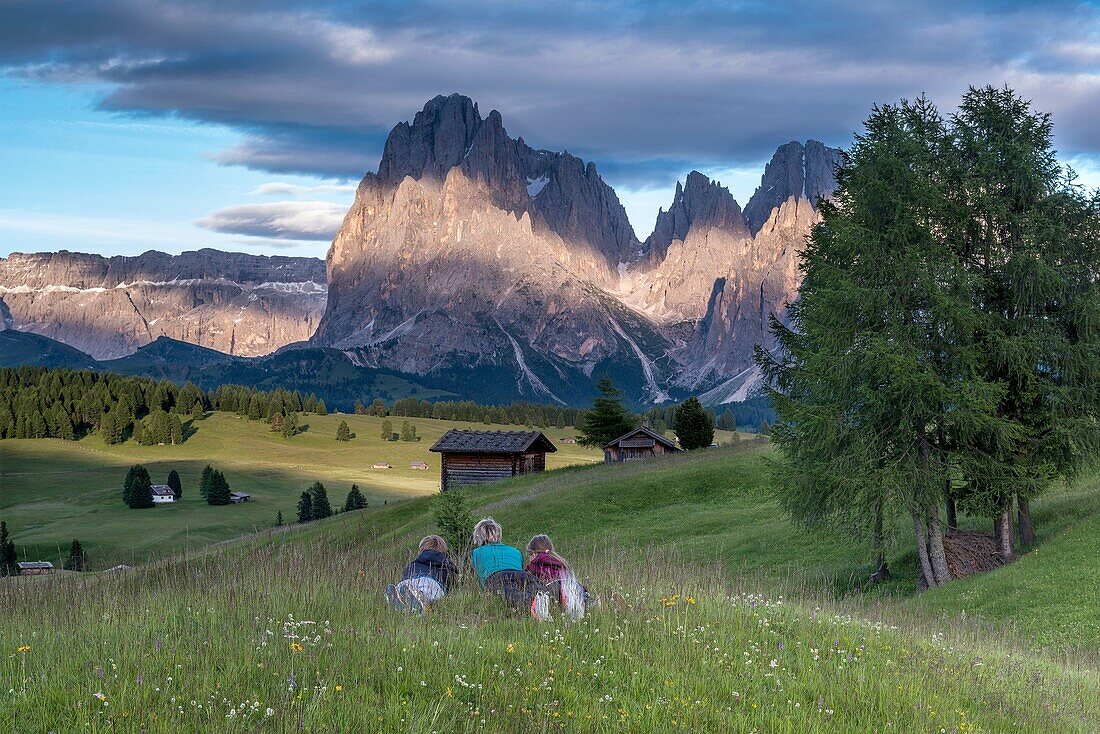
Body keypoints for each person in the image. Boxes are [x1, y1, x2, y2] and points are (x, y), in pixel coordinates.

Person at [470, 517, 551, 621]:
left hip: (497, 577)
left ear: (478, 536)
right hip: (522, 575)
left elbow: (476, 578)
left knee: (512, 595)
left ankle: (531, 609)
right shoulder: (515, 551)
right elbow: (521, 568)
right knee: (539, 591)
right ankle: (543, 604)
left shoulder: (475, 553)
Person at [385, 535, 457, 613]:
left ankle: (398, 595)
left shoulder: (412, 564)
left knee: (404, 588)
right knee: (426, 594)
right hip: (431, 582)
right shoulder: (445, 563)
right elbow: (451, 584)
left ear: (421, 549)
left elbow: (405, 574)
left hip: (408, 581)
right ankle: (419, 600)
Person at [524, 534, 587, 620]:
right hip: (571, 591)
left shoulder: (534, 565)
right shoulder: (562, 562)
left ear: (533, 554)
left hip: (551, 595)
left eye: (529, 555)